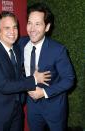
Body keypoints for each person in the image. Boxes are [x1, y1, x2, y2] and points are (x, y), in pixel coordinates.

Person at [0, 11, 50, 131]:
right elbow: (4, 85)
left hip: (17, 110)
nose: (12, 32)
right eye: (7, 28)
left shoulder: (17, 49)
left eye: (15, 27)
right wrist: (34, 79)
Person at [18, 3, 75, 131]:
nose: (32, 29)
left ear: (47, 27)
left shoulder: (58, 50)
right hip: (32, 106)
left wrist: (44, 92)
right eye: (29, 23)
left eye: (38, 24)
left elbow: (69, 79)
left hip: (54, 106)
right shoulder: (21, 44)